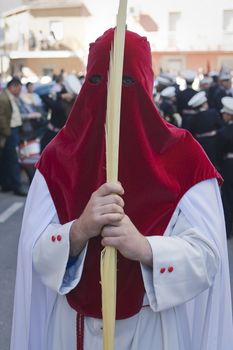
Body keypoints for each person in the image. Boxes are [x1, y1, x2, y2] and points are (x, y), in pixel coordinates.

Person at [11, 29, 233, 350]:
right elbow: (34, 254)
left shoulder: (184, 157)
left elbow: (208, 258)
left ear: (146, 83)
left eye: (126, 82)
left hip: (153, 328)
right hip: (72, 328)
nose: (112, 96)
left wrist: (145, 248)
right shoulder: (59, 156)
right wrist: (78, 231)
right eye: (99, 81)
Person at [0, 77, 27, 196]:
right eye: (19, 88)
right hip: (9, 132)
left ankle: (7, 185)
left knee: (7, 160)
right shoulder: (4, 98)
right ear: (12, 87)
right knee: (13, 160)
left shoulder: (11, 97)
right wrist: (7, 133)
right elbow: (2, 118)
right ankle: (17, 186)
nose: (20, 91)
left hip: (13, 130)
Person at [183, 90, 224, 168]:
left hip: (199, 145)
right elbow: (221, 126)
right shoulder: (213, 113)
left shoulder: (191, 118)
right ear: (204, 104)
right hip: (213, 143)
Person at [217, 96, 233, 238]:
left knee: (227, 199)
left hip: (229, 166)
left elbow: (219, 152)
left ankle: (228, 230)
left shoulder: (223, 132)